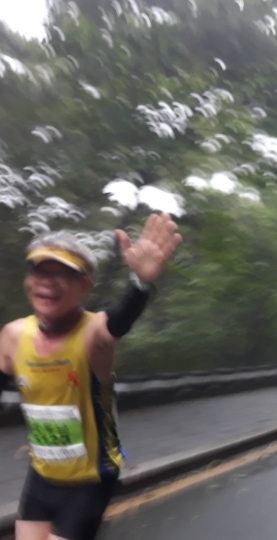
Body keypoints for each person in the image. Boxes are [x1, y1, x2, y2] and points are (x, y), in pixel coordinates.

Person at [0, 214, 181, 540]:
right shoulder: (12, 336)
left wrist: (140, 285)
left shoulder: (92, 333)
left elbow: (118, 321)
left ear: (83, 285)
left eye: (62, 274)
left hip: (90, 480)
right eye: (40, 271)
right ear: (28, 281)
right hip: (42, 474)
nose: (48, 282)